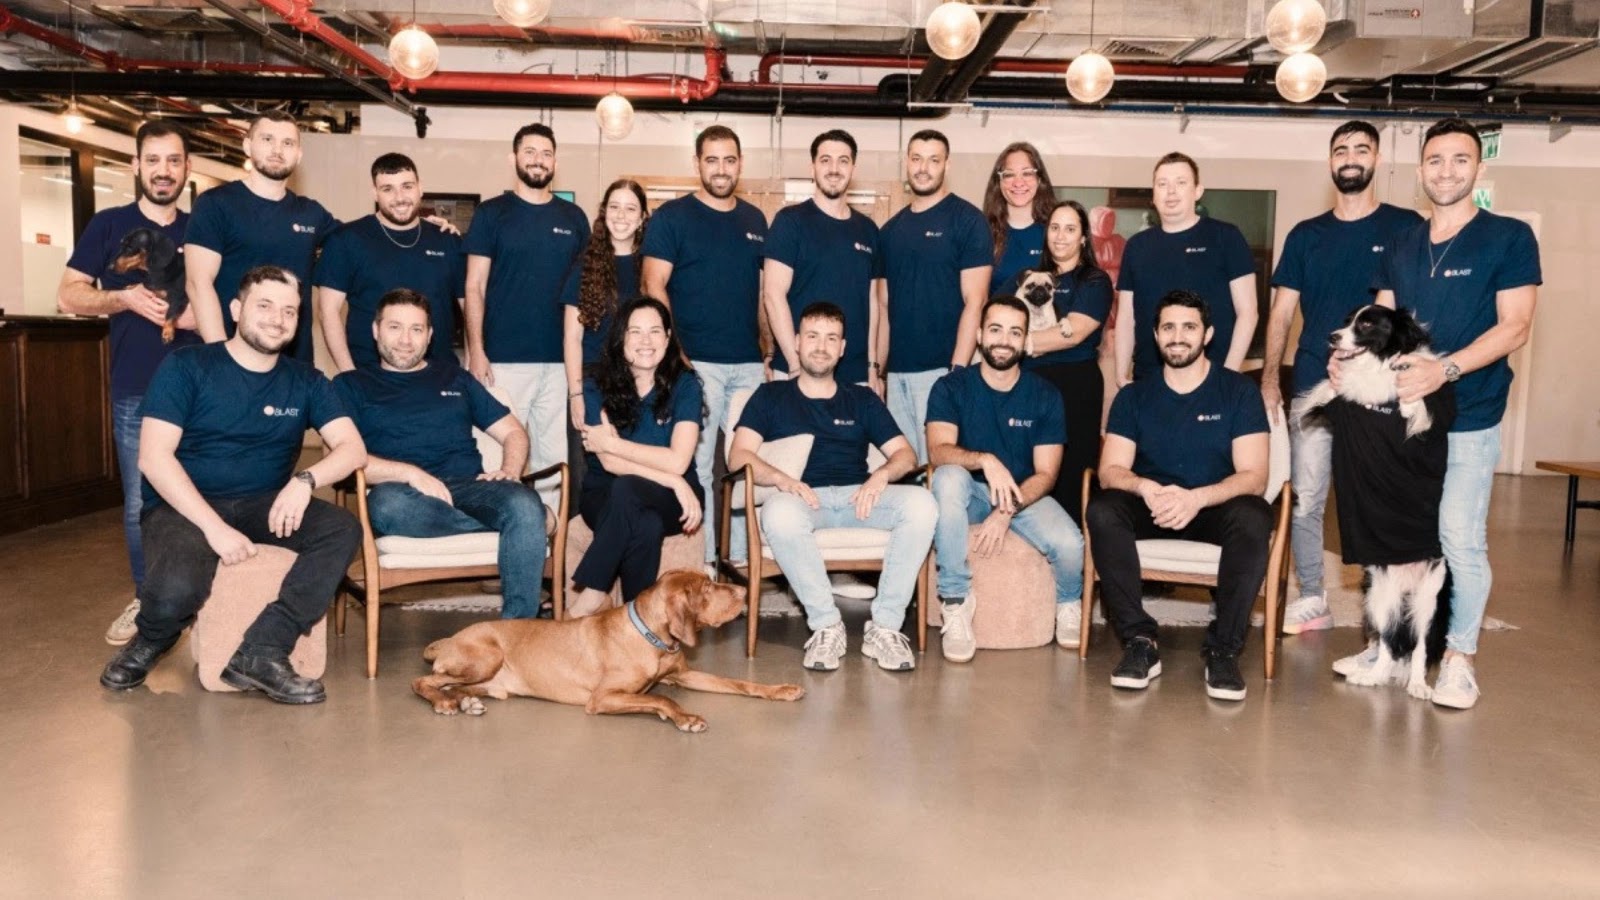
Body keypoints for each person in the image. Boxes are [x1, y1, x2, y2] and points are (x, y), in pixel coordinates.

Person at [98, 265, 365, 704]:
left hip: (263, 502)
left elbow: (352, 449)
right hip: (184, 504)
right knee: (178, 588)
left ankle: (263, 650)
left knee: (341, 529)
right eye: (265, 306)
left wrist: (305, 480)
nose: (278, 319)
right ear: (237, 310)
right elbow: (154, 457)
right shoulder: (187, 365)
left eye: (289, 311)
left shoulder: (306, 380)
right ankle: (153, 638)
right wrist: (214, 528)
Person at [1358, 117, 1541, 710]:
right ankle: (1388, 646)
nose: (1446, 171)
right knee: (1399, 538)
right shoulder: (1403, 242)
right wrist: (1351, 360)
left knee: (1459, 541)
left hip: (1470, 417)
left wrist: (1446, 370)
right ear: (1421, 170)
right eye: (1435, 160)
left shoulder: (1509, 237)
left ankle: (1460, 659)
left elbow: (1516, 327)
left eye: (1460, 160)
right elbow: (1382, 322)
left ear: (1478, 168)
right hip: (1408, 421)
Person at [1262, 120, 1424, 635]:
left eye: (1360, 149)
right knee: (1306, 499)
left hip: (1380, 393)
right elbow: (1282, 313)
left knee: (1376, 498)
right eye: (1340, 150)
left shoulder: (1405, 227)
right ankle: (1314, 596)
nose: (1350, 158)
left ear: (1377, 158)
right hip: (1315, 385)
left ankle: (1386, 602)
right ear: (1330, 161)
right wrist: (1270, 379)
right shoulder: (1306, 235)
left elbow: (1413, 306)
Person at [729, 303, 935, 673]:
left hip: (860, 499)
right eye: (812, 336)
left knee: (923, 504)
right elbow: (738, 456)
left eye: (831, 338)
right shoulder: (770, 396)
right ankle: (826, 625)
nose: (821, 346)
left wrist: (881, 475)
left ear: (842, 348)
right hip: (802, 500)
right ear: (796, 342)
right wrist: (781, 479)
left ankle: (885, 627)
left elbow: (906, 455)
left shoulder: (862, 398)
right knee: (778, 512)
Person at [1087, 291, 1271, 702]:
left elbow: (1255, 476)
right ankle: (1139, 640)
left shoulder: (1238, 391)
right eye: (1168, 327)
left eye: (1189, 327)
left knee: (1254, 514)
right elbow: (1110, 470)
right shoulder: (1134, 396)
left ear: (1208, 334)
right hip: (1152, 505)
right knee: (1103, 508)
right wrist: (1144, 487)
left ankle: (1223, 650)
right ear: (1155, 335)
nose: (1178, 336)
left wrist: (1197, 498)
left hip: (1212, 507)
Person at [58, 120, 200, 646]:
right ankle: (150, 601)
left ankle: (202, 601)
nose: (164, 170)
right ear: (136, 165)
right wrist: (122, 298)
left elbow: (233, 300)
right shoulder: (109, 224)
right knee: (143, 501)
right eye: (154, 160)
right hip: (137, 389)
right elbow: (68, 295)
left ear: (187, 168)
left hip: (202, 390)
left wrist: (201, 317)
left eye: (174, 160)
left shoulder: (203, 228)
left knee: (208, 493)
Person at [333, 289, 549, 620]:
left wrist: (510, 469)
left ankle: (517, 630)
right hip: (404, 495)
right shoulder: (351, 385)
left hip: (471, 487)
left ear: (430, 335)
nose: (406, 340)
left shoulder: (455, 377)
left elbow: (513, 432)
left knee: (522, 501)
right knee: (386, 506)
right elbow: (343, 457)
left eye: (416, 329)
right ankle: (524, 524)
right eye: (395, 327)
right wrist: (411, 474)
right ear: (376, 330)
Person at [928, 296, 1085, 662]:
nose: (1004, 340)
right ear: (980, 335)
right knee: (947, 478)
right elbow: (937, 451)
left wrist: (1006, 510)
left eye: (1015, 332)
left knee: (1071, 544)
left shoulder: (1045, 395)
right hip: (970, 492)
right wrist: (984, 460)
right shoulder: (950, 387)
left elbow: (1046, 474)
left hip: (1023, 494)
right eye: (995, 330)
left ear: (1025, 341)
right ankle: (956, 601)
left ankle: (1068, 603)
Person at [642, 125, 768, 567]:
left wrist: (767, 351)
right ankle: (704, 563)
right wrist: (676, 354)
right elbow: (653, 284)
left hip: (749, 364)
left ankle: (742, 561)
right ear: (697, 163)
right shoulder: (671, 217)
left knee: (747, 464)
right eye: (711, 160)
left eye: (729, 160)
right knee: (696, 466)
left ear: (740, 164)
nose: (721, 169)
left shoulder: (755, 220)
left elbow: (761, 294)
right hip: (695, 363)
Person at [462, 122, 590, 506]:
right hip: (502, 361)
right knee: (499, 458)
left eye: (546, 154)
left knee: (553, 461)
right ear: (513, 158)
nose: (538, 160)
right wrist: (476, 350)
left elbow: (586, 292)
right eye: (530, 152)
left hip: (559, 363)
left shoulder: (574, 218)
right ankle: (499, 534)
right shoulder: (491, 214)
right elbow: (474, 286)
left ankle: (549, 536)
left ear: (556, 163)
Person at [568, 298, 704, 616]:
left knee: (629, 490)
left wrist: (611, 443)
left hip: (671, 499)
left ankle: (592, 593)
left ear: (667, 338)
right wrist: (673, 479)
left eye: (655, 331)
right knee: (643, 518)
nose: (646, 341)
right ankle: (637, 621)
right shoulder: (595, 383)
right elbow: (609, 464)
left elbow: (679, 461)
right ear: (621, 338)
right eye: (635, 331)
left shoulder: (685, 384)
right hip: (605, 492)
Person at [877, 129, 993, 464]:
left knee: (944, 470)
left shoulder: (968, 221)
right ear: (906, 163)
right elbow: (883, 307)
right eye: (916, 159)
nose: (923, 168)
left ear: (947, 165)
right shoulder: (890, 231)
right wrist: (878, 371)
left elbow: (976, 301)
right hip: (897, 375)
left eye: (933, 160)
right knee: (907, 469)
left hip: (943, 371)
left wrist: (957, 371)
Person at [185, 110, 337, 363]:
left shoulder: (312, 214)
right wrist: (222, 360)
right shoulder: (216, 204)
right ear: (247, 146)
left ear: (298, 154)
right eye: (267, 139)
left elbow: (360, 243)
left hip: (295, 366)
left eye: (287, 143)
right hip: (234, 360)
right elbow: (198, 284)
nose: (277, 149)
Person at [1003, 200, 1114, 524]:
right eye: (1054, 228)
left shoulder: (1094, 281)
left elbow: (1075, 332)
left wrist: (1022, 343)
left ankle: (1074, 549)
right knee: (1025, 470)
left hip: (1075, 388)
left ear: (1083, 237)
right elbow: (996, 317)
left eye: (1070, 229)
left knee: (1071, 472)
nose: (1060, 236)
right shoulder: (1027, 277)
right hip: (1027, 387)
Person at [1113, 152, 1258, 384]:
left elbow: (1248, 313)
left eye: (1181, 182)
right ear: (1153, 193)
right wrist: (1121, 374)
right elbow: (1126, 317)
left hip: (1212, 381)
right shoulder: (1136, 246)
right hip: (1148, 381)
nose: (1171, 191)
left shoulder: (1226, 237)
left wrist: (1228, 376)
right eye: (1162, 184)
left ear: (1197, 191)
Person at [315, 153, 465, 373]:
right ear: (374, 193)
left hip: (440, 373)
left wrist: (475, 356)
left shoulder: (447, 239)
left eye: (407, 186)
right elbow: (328, 311)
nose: (399, 197)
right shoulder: (346, 240)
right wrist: (349, 375)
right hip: (369, 374)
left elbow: (469, 305)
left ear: (420, 188)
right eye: (388, 189)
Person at [764, 129, 882, 395]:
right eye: (825, 160)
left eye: (843, 161)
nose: (834, 169)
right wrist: (795, 365)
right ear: (813, 167)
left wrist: (872, 367)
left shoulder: (868, 230)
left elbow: (872, 303)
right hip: (798, 371)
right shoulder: (790, 222)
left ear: (853, 169)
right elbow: (772, 294)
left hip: (855, 377)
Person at [563, 178, 648, 428]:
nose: (621, 215)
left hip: (641, 380)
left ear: (642, 218)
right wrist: (576, 394)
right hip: (593, 384)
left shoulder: (651, 267)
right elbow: (572, 338)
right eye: (614, 207)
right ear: (604, 212)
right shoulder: (585, 266)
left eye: (630, 208)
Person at [982, 142, 1057, 295]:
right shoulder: (982, 232)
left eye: (1027, 173)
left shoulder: (1055, 232)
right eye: (1009, 174)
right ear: (999, 182)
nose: (1018, 183)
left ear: (1039, 179)